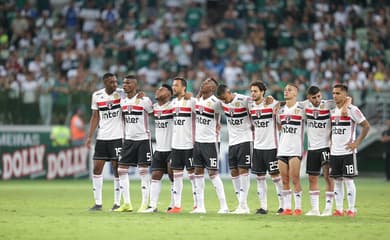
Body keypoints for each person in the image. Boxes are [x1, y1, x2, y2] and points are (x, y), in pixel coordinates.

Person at [115, 75, 153, 213]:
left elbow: (153, 113)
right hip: (128, 140)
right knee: (121, 170)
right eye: (124, 83)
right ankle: (127, 203)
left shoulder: (144, 100)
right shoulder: (123, 102)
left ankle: (144, 203)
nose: (125, 85)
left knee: (143, 171)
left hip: (143, 139)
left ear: (135, 85)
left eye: (128, 83)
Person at [330, 84, 370, 217]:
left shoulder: (353, 109)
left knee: (348, 180)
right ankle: (339, 210)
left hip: (348, 152)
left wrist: (356, 143)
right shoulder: (332, 110)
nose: (335, 96)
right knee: (337, 181)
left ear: (345, 95)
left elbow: (366, 126)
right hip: (334, 152)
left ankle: (351, 209)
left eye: (338, 93)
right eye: (333, 93)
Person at [86, 73, 124, 211]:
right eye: (111, 82)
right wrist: (90, 136)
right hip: (102, 138)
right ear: (105, 83)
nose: (115, 84)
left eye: (115, 81)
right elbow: (95, 116)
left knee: (117, 169)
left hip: (117, 137)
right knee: (96, 169)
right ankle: (98, 203)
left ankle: (117, 203)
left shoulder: (121, 94)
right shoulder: (97, 95)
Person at [192, 78, 229, 214]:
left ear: (213, 89)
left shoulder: (215, 102)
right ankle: (200, 207)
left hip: (211, 142)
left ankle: (224, 206)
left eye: (207, 83)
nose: (203, 83)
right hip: (198, 142)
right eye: (203, 81)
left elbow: (228, 108)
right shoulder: (199, 100)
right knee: (198, 173)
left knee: (213, 173)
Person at [216, 84, 252, 214]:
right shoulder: (221, 103)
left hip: (245, 140)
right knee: (234, 172)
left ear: (229, 92)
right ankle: (240, 205)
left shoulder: (244, 100)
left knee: (243, 170)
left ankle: (244, 205)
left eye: (225, 97)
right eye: (221, 99)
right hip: (232, 142)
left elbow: (259, 104)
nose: (224, 101)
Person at [248, 81, 283, 214]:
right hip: (257, 148)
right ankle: (263, 207)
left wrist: (276, 101)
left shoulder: (271, 103)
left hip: (272, 146)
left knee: (275, 177)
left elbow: (281, 108)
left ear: (262, 92)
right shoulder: (251, 107)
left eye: (255, 91)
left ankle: (282, 206)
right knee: (260, 178)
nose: (253, 93)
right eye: (251, 91)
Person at [142, 84, 175, 213]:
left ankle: (174, 205)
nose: (157, 90)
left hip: (172, 148)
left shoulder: (173, 107)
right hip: (159, 148)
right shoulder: (154, 108)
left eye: (162, 89)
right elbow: (146, 108)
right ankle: (153, 206)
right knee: (155, 176)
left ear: (169, 94)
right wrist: (143, 98)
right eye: (157, 89)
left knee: (173, 177)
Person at [167, 77, 197, 213]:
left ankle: (197, 204)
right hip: (176, 145)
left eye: (176, 85)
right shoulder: (173, 103)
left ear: (183, 87)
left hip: (189, 144)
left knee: (193, 176)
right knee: (177, 175)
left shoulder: (192, 101)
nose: (174, 87)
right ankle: (177, 206)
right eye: (173, 85)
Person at [276, 83, 305, 216]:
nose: (286, 92)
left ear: (296, 93)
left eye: (289, 90)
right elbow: (279, 126)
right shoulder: (280, 110)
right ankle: (287, 208)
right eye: (285, 90)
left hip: (295, 149)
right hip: (282, 149)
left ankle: (298, 208)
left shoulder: (302, 108)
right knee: (284, 180)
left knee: (295, 178)